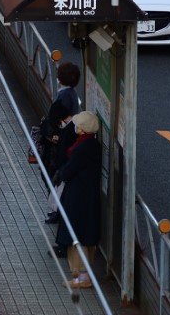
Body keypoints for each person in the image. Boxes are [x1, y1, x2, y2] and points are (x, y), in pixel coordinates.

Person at [54, 111, 103, 289]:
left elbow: (69, 171)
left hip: (79, 197)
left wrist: (60, 174)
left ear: (82, 130)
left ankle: (81, 277)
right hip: (88, 196)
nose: (75, 127)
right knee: (85, 235)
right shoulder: (92, 145)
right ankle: (84, 275)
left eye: (77, 125)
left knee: (77, 235)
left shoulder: (82, 149)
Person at [43, 62, 81, 223]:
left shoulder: (64, 96)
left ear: (60, 78)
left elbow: (56, 118)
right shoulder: (71, 93)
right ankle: (58, 210)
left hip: (60, 141)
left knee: (52, 173)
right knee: (54, 174)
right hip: (66, 139)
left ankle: (59, 210)